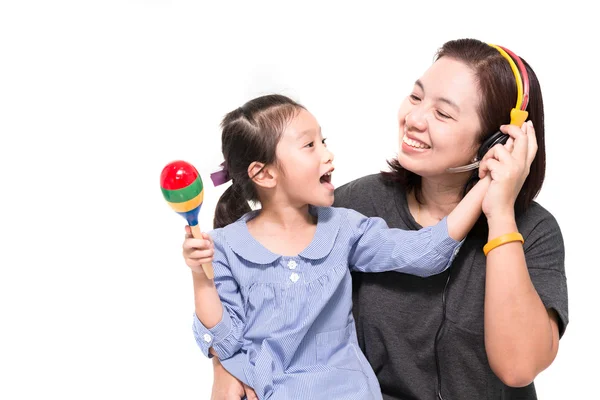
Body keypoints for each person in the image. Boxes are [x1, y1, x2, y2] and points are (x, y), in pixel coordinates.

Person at [206, 38, 567, 400]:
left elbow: (518, 368)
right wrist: (223, 365)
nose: (414, 119)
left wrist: (500, 212)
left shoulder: (534, 231)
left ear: (494, 142)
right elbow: (256, 286)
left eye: (442, 113)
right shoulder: (350, 209)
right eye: (415, 97)